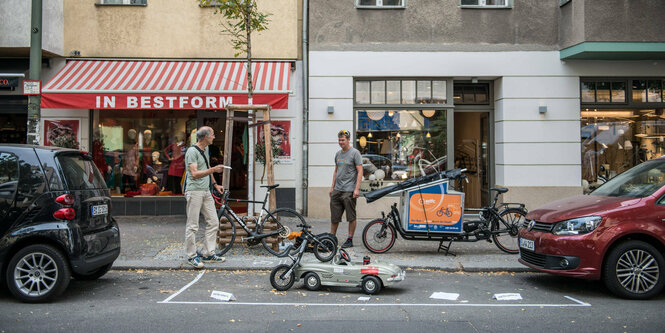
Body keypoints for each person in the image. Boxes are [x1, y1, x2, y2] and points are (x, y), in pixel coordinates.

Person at [183, 126, 226, 268]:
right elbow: (194, 174)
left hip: (206, 191)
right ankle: (191, 256)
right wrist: (213, 169)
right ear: (205, 137)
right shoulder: (191, 151)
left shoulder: (205, 149)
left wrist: (214, 184)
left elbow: (206, 168)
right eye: (212, 135)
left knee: (214, 221)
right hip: (194, 191)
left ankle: (208, 253)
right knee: (193, 225)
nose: (214, 137)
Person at [329, 129, 363, 248]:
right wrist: (332, 187)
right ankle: (332, 238)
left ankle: (349, 239)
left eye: (343, 140)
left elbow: (360, 171)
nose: (341, 142)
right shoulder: (338, 154)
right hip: (337, 189)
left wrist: (357, 189)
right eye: (339, 140)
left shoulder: (355, 153)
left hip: (349, 190)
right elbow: (336, 171)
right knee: (335, 216)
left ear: (348, 140)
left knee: (351, 216)